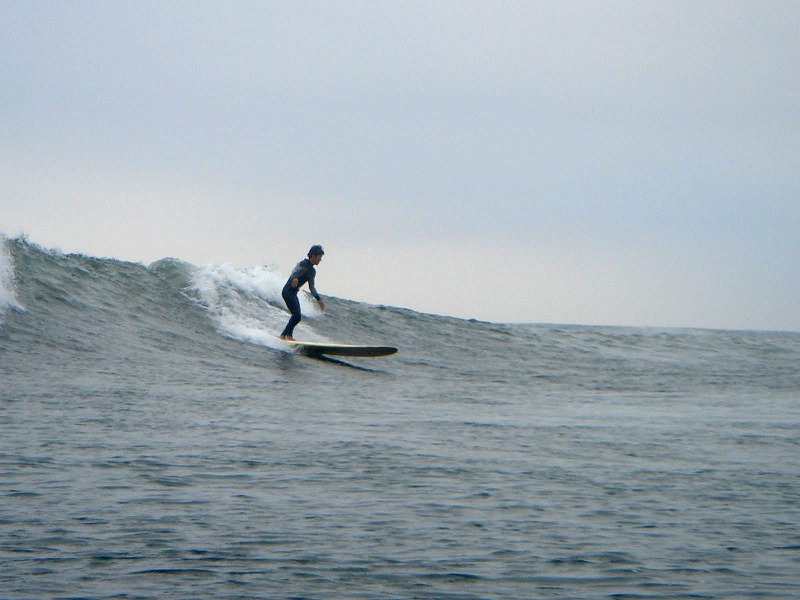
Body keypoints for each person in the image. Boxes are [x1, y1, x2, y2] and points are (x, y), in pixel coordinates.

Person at [279, 245, 326, 341]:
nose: (320, 259)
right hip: (288, 291)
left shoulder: (312, 271)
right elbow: (294, 271)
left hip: (293, 293)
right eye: (319, 257)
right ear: (313, 256)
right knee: (297, 316)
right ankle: (288, 336)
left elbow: (311, 287)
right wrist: (295, 277)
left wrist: (318, 299)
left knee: (297, 316)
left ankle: (283, 336)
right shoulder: (303, 263)